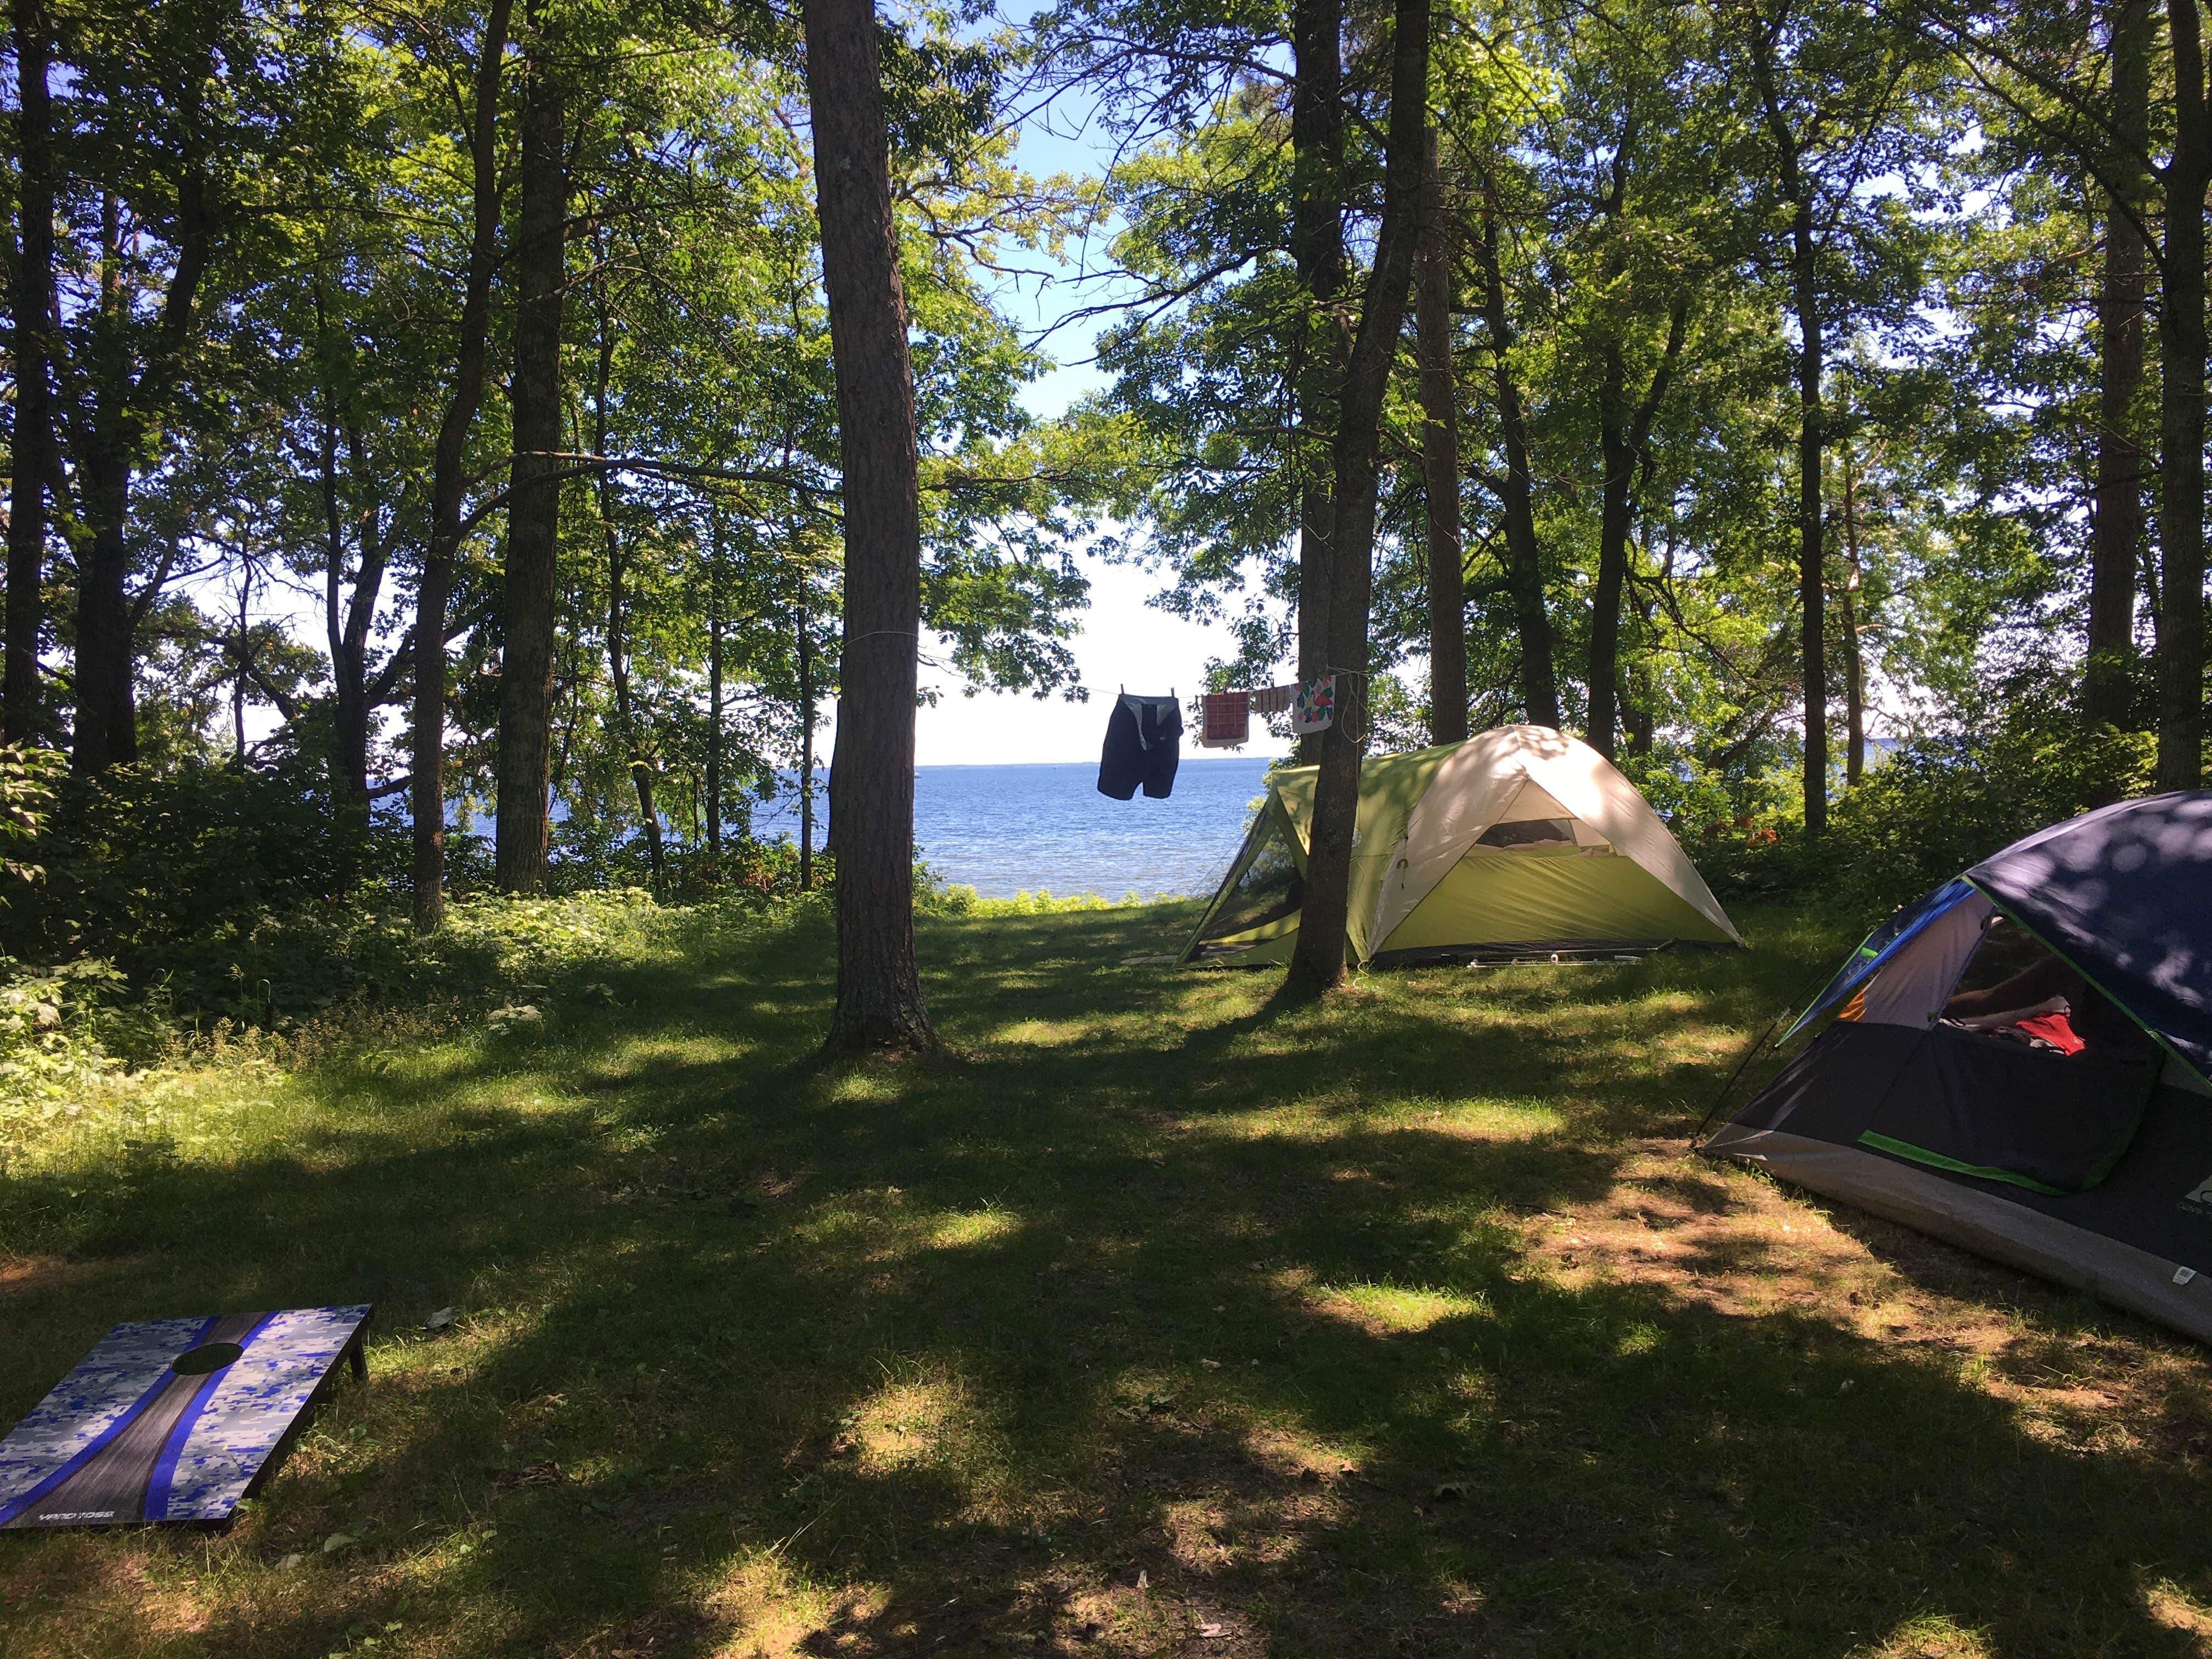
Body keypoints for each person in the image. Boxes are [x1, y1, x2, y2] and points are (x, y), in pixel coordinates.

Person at [1943, 953, 2149, 1058]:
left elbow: (1991, 1000)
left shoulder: (2074, 964)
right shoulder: (2069, 964)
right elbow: (1991, 1000)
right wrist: (1932, 1007)